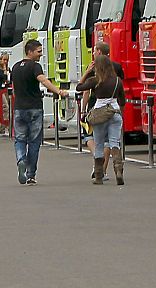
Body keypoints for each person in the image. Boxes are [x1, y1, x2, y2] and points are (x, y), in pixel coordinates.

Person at [10, 38, 65, 186]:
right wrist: (58, 91)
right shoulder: (35, 66)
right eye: (38, 51)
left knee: (20, 139)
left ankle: (21, 159)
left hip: (19, 108)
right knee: (34, 142)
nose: (40, 54)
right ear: (30, 51)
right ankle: (31, 174)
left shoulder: (14, 67)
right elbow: (44, 81)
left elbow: (14, 89)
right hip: (34, 108)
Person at [76, 43, 127, 186]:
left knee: (98, 144)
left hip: (99, 113)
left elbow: (79, 87)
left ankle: (99, 176)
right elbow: (122, 100)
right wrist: (120, 113)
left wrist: (87, 72)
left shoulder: (96, 80)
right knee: (114, 143)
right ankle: (118, 170)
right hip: (115, 112)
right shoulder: (118, 81)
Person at [0, 53, 12, 136]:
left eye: (7, 60)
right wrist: (4, 70)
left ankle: (2, 129)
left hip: (7, 89)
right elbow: (1, 77)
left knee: (8, 109)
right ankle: (7, 127)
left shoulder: (9, 69)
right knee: (5, 108)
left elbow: (9, 79)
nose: (5, 61)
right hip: (0, 90)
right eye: (4, 60)